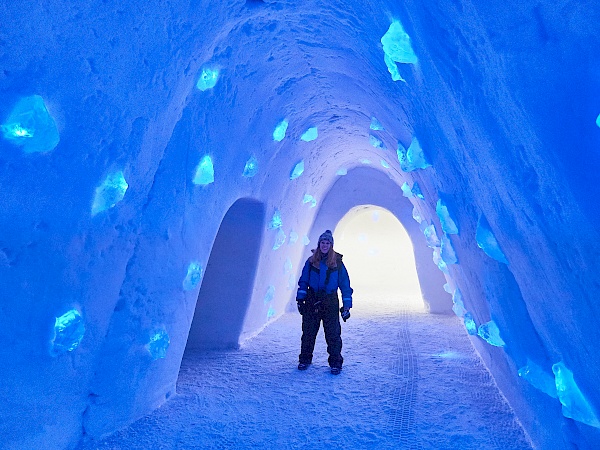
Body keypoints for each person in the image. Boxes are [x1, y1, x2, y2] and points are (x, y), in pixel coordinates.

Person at [296, 230, 353, 375]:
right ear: (319, 244)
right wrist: (300, 299)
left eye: (327, 243)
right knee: (308, 332)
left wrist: (346, 305)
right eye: (323, 242)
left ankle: (336, 363)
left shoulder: (338, 263)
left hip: (330, 301)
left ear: (331, 245)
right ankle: (304, 359)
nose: (325, 245)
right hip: (312, 300)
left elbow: (345, 285)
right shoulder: (311, 262)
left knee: (333, 334)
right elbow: (303, 281)